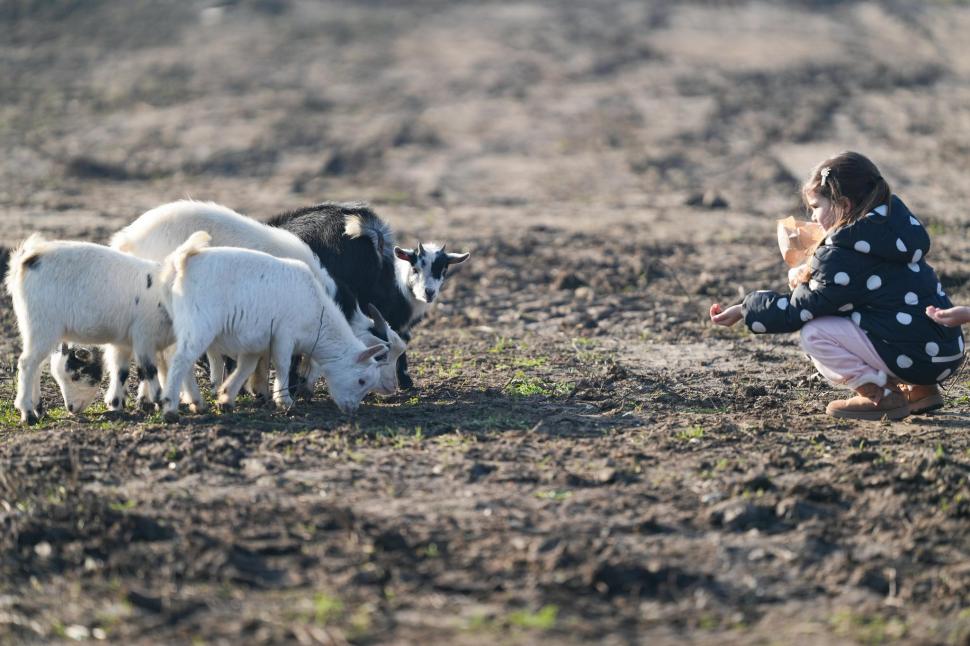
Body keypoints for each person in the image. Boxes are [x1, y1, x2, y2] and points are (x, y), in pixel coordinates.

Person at [710, 151, 964, 420]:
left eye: (816, 207)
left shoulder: (843, 250)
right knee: (883, 312)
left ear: (842, 204)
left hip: (915, 356)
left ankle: (880, 396)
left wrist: (746, 308)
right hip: (945, 351)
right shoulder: (892, 232)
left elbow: (802, 309)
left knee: (815, 333)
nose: (813, 217)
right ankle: (922, 390)